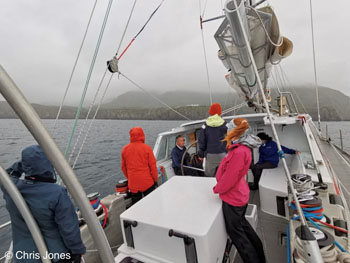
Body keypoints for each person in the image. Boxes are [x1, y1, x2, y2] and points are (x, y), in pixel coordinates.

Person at [2, 145, 86, 263]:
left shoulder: (11, 188)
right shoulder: (57, 193)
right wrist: (78, 250)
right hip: (55, 255)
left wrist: (26, 164)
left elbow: (7, 174)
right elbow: (69, 228)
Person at [213, 118, 265, 263]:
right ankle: (260, 254)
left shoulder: (239, 152)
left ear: (236, 132)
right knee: (242, 226)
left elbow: (229, 178)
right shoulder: (242, 148)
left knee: (238, 236)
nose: (227, 132)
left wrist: (217, 188)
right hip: (239, 195)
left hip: (233, 199)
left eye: (229, 129)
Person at [121, 127, 158, 204]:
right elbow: (153, 166)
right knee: (151, 204)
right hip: (147, 183)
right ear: (142, 135)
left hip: (133, 184)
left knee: (137, 206)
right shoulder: (147, 148)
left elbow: (123, 167)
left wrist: (130, 178)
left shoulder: (125, 149)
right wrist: (155, 180)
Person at [198, 102, 228, 177]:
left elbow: (202, 142)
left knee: (209, 176)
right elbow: (230, 139)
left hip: (210, 155)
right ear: (220, 112)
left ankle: (211, 188)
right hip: (223, 154)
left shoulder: (205, 126)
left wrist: (201, 155)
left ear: (210, 112)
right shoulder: (225, 125)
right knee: (224, 175)